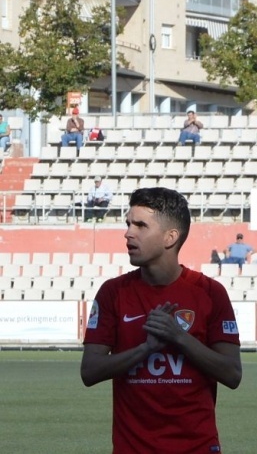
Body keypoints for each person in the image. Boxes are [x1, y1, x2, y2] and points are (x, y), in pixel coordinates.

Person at [80, 187, 242, 453]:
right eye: (128, 223)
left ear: (170, 237)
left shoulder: (210, 293)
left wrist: (178, 337)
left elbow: (232, 374)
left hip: (197, 448)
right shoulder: (113, 292)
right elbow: (90, 371)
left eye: (141, 225)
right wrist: (146, 349)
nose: (128, 233)